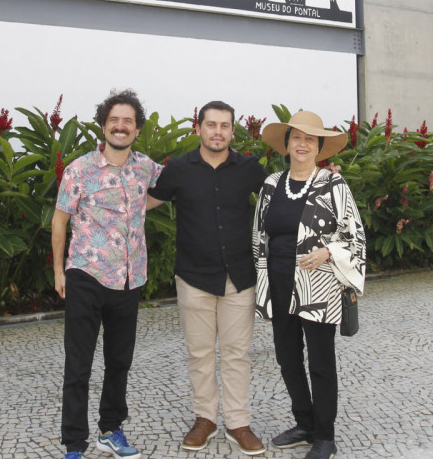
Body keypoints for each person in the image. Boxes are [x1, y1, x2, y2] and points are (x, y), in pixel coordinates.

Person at [146, 101, 267, 455]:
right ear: (198, 127)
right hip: (193, 276)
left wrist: (324, 179)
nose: (218, 132)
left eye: (224, 126)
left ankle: (238, 422)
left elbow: (282, 198)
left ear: (233, 130)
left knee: (236, 354)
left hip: (239, 276)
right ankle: (205, 418)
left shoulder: (249, 168)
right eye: (211, 124)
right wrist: (99, 200)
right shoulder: (179, 169)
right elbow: (146, 202)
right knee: (198, 354)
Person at [53, 89, 163, 459]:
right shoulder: (80, 169)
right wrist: (58, 271)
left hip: (129, 279)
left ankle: (110, 429)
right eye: (114, 120)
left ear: (136, 129)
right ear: (103, 125)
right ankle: (73, 443)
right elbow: (60, 219)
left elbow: (178, 183)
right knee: (78, 364)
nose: (120, 126)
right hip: (86, 275)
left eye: (128, 121)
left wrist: (142, 206)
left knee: (120, 361)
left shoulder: (146, 167)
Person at [253, 111, 366, 459]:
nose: (302, 144)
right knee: (287, 359)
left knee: (320, 361)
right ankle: (304, 423)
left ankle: (326, 435)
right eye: (296, 138)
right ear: (286, 145)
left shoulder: (334, 185)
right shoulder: (272, 183)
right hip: (279, 282)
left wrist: (329, 250)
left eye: (310, 140)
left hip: (319, 286)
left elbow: (356, 238)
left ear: (319, 148)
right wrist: (262, 292)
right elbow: (259, 236)